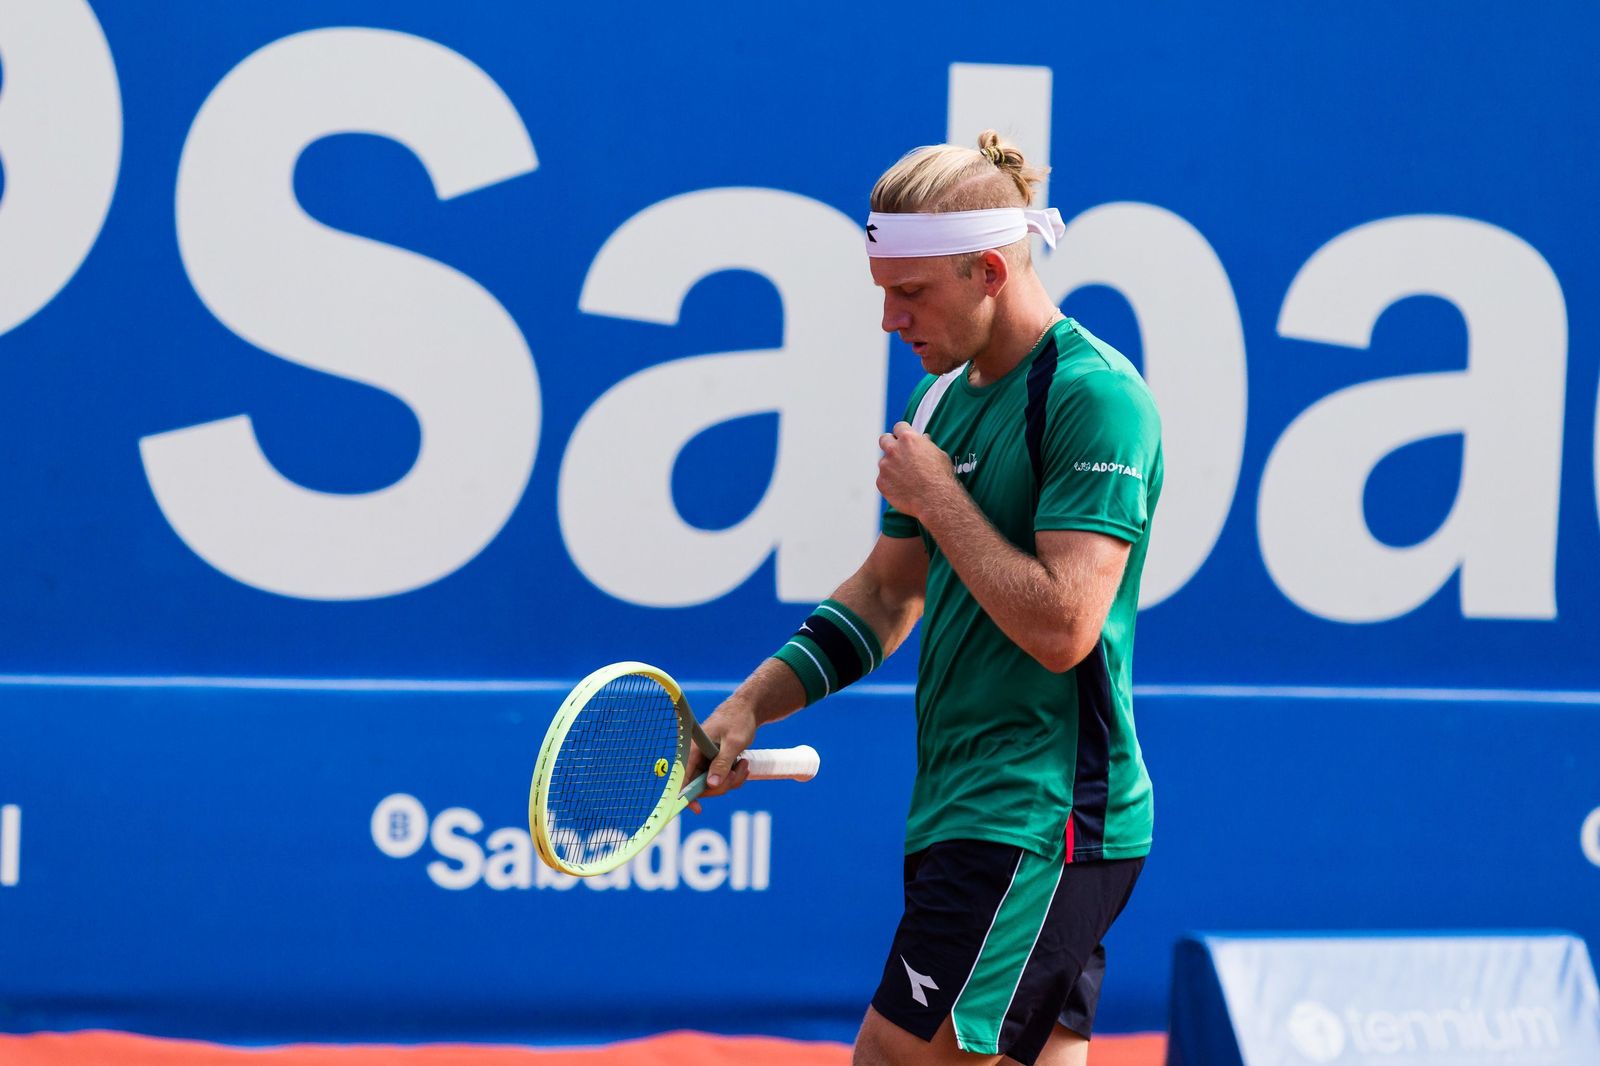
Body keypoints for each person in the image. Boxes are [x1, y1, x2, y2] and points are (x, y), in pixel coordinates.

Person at [691, 131, 1163, 1066]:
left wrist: (939, 496)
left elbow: (1064, 628)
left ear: (989, 269)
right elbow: (885, 595)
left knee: (893, 1057)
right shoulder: (943, 404)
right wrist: (749, 706)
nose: (888, 321)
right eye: (882, 292)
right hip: (969, 806)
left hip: (1037, 816)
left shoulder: (1095, 398)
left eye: (910, 293)